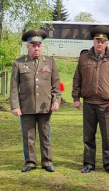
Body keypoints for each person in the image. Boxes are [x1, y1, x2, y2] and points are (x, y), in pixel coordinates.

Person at [72, 25, 109, 174]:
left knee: (107, 136)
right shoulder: (84, 58)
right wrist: (76, 98)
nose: (100, 44)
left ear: (107, 43)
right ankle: (89, 164)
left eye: (103, 41)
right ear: (93, 41)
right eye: (97, 41)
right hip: (89, 103)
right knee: (88, 136)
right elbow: (77, 79)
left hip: (106, 104)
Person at [10, 29, 61, 172]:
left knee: (45, 135)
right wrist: (15, 106)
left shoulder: (50, 62)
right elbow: (14, 87)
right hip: (26, 106)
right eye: (33, 45)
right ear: (28, 46)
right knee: (28, 136)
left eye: (39, 45)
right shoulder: (18, 63)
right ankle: (30, 162)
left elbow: (56, 85)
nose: (36, 48)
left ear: (41, 46)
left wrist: (56, 100)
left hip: (45, 105)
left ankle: (47, 162)